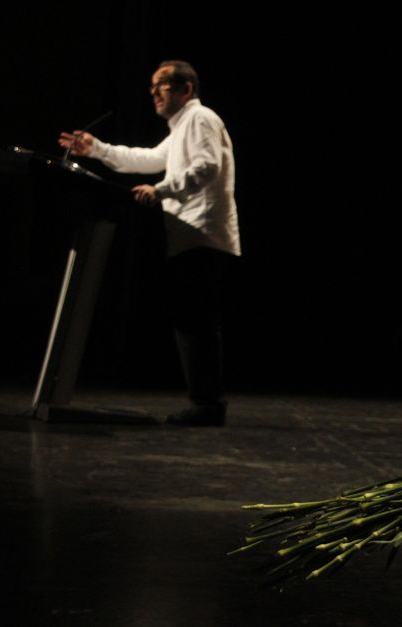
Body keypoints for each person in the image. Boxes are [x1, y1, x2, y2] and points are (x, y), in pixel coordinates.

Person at [59, 60, 241, 426]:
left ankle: (208, 405)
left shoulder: (200, 119)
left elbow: (207, 167)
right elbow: (148, 159)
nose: (153, 93)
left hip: (202, 234)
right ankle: (205, 402)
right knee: (191, 319)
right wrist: (98, 150)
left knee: (197, 322)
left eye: (162, 85)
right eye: (152, 87)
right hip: (191, 236)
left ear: (186, 89)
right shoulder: (182, 129)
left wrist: (160, 190)